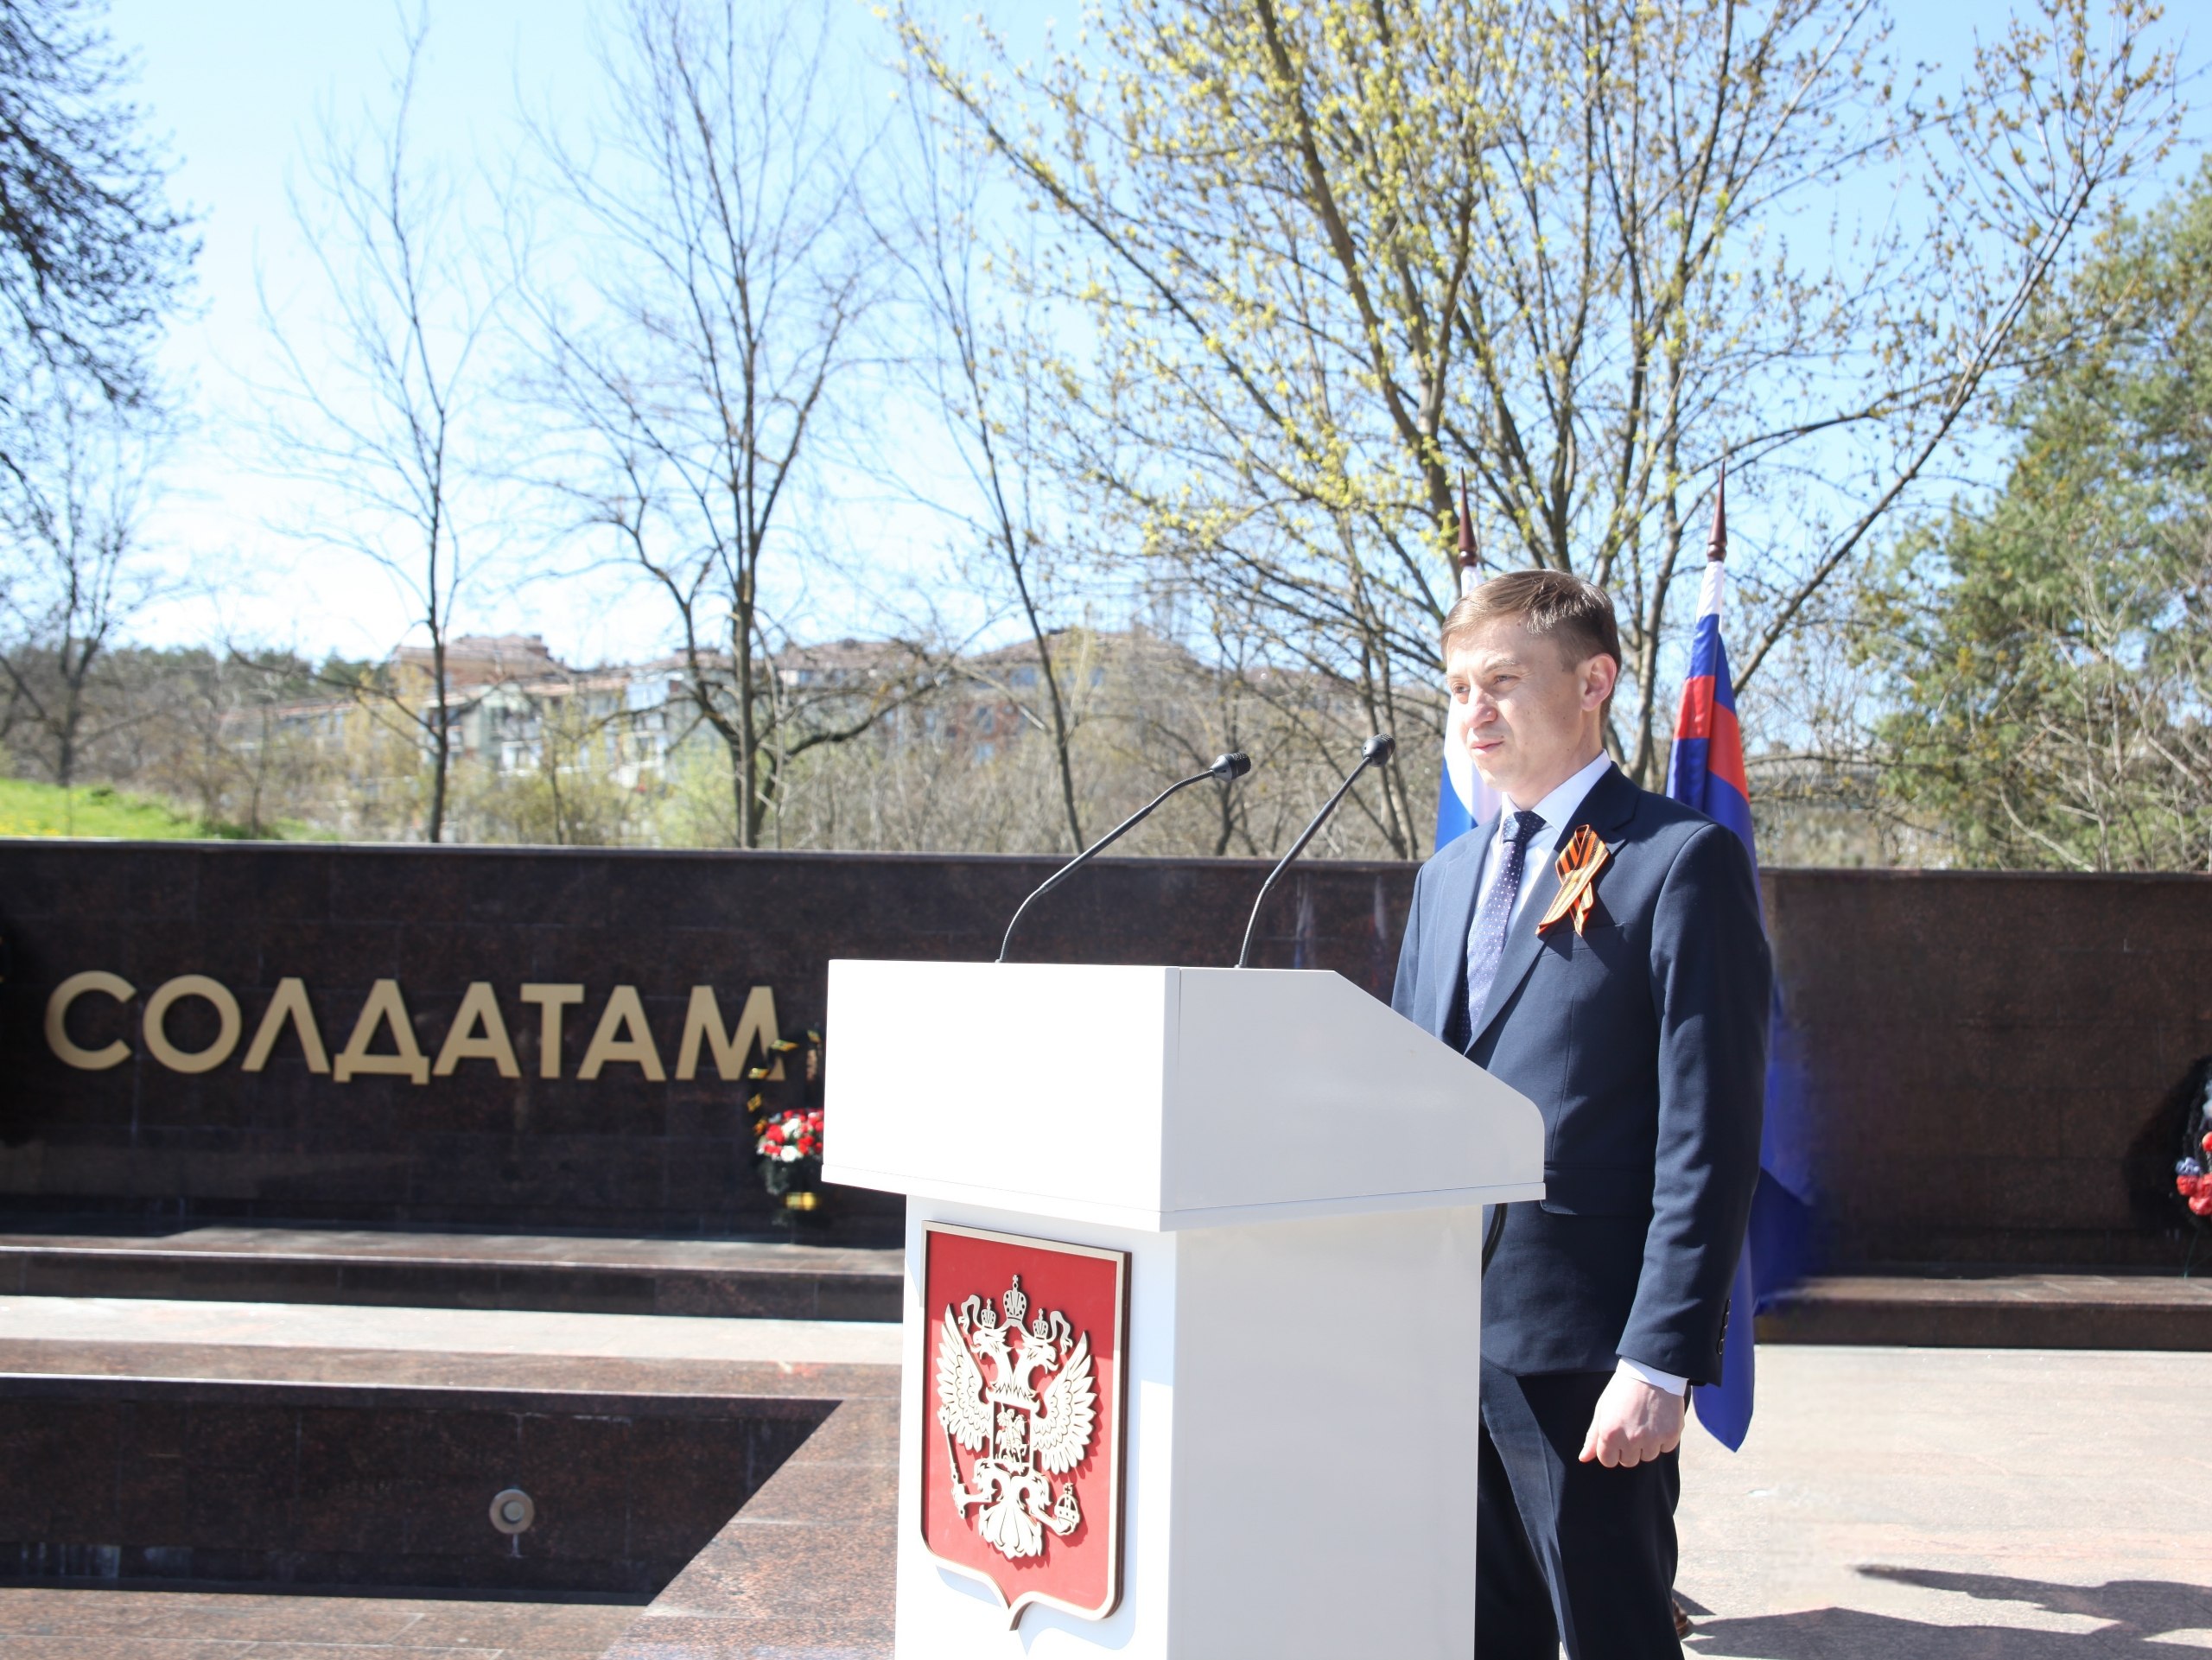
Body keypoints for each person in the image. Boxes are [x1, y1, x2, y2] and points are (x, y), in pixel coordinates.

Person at [1391, 570, 1769, 1659]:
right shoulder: (1445, 878)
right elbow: (1408, 1096)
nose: (1474, 711)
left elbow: (1709, 1137)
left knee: (1611, 1634)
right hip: (1443, 1341)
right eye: (1459, 688)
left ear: (1593, 682)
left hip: (1588, 1357)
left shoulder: (1676, 862)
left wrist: (1658, 1359)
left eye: (1503, 681)